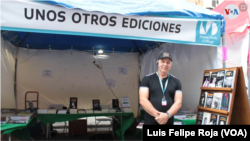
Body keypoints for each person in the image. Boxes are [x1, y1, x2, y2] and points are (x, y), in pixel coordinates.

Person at [139, 52, 182, 139]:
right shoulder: (147, 79)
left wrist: (167, 115)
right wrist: (158, 116)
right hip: (151, 121)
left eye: (168, 62)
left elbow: (178, 102)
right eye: (163, 61)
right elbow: (143, 100)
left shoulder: (176, 81)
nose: (165, 64)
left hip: (168, 121)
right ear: (157, 62)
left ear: (171, 64)